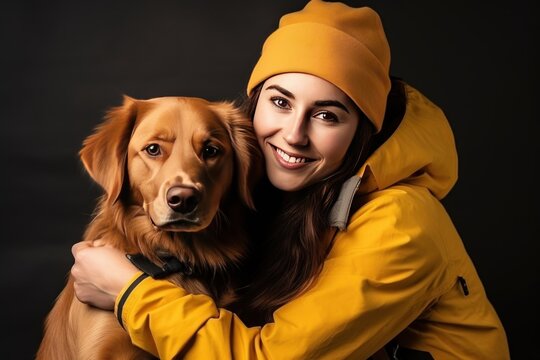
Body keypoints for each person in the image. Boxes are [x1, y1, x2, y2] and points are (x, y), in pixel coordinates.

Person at [70, 1, 510, 358]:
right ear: (254, 103)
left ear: (362, 131)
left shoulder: (402, 224)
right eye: (280, 102)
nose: (294, 135)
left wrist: (128, 291)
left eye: (326, 115)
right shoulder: (265, 190)